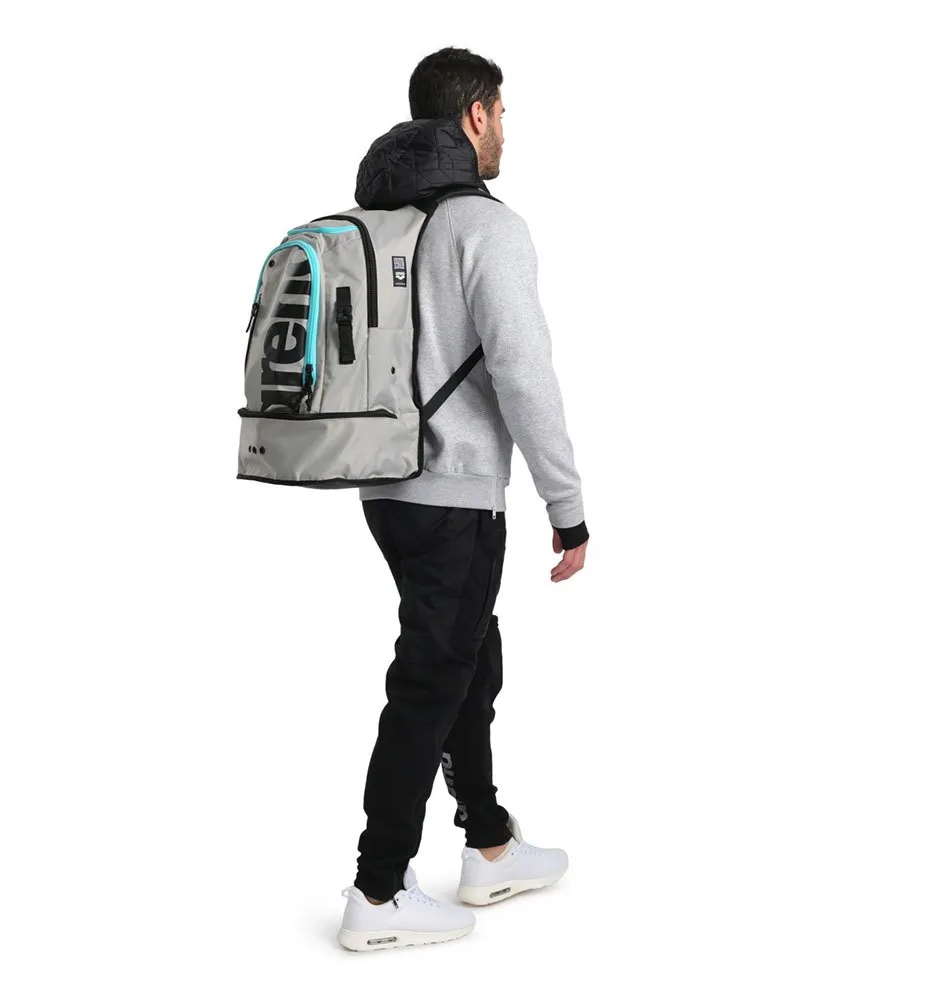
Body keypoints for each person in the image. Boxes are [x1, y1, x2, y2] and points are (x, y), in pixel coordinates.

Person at [337, 47, 589, 953]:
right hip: (456, 493)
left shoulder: (378, 221)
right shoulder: (486, 226)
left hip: (384, 485)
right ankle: (376, 892)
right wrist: (568, 504)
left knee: (468, 662)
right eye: (502, 114)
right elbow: (523, 372)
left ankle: (488, 844)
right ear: (475, 115)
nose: (506, 131)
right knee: (431, 681)